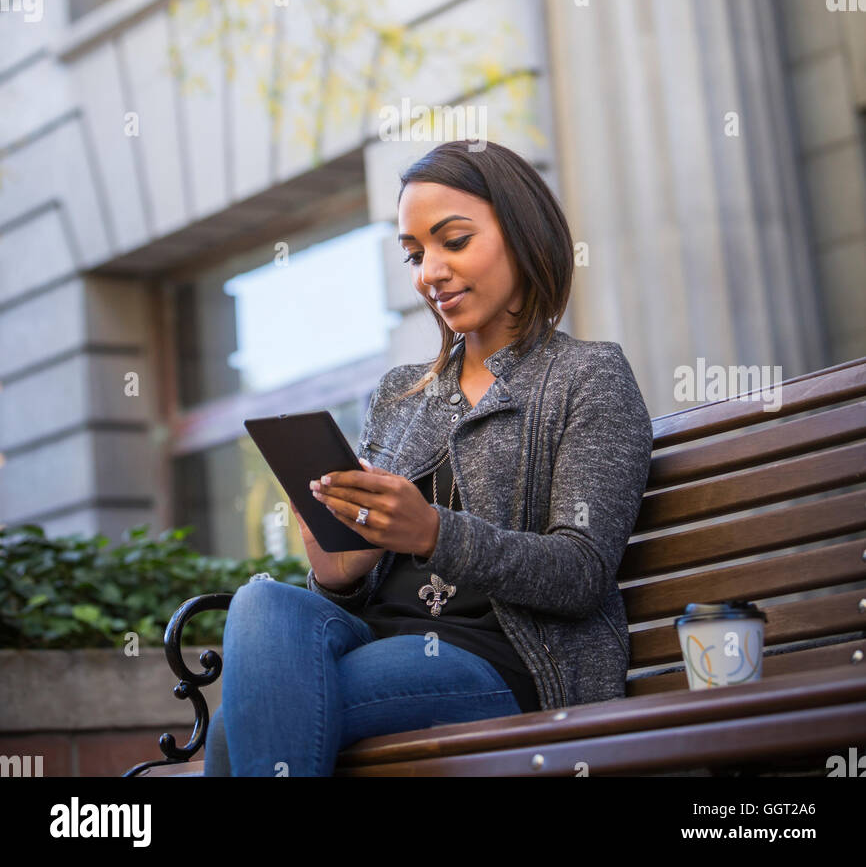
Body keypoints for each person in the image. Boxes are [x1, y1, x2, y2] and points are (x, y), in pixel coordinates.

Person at [204, 139, 654, 776]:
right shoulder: (401, 394)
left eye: (454, 241)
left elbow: (579, 573)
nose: (428, 273)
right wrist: (340, 570)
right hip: (380, 644)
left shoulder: (587, 376)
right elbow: (352, 592)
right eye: (415, 254)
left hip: (507, 664)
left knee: (231, 732)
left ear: (524, 233)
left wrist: (432, 533)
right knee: (261, 602)